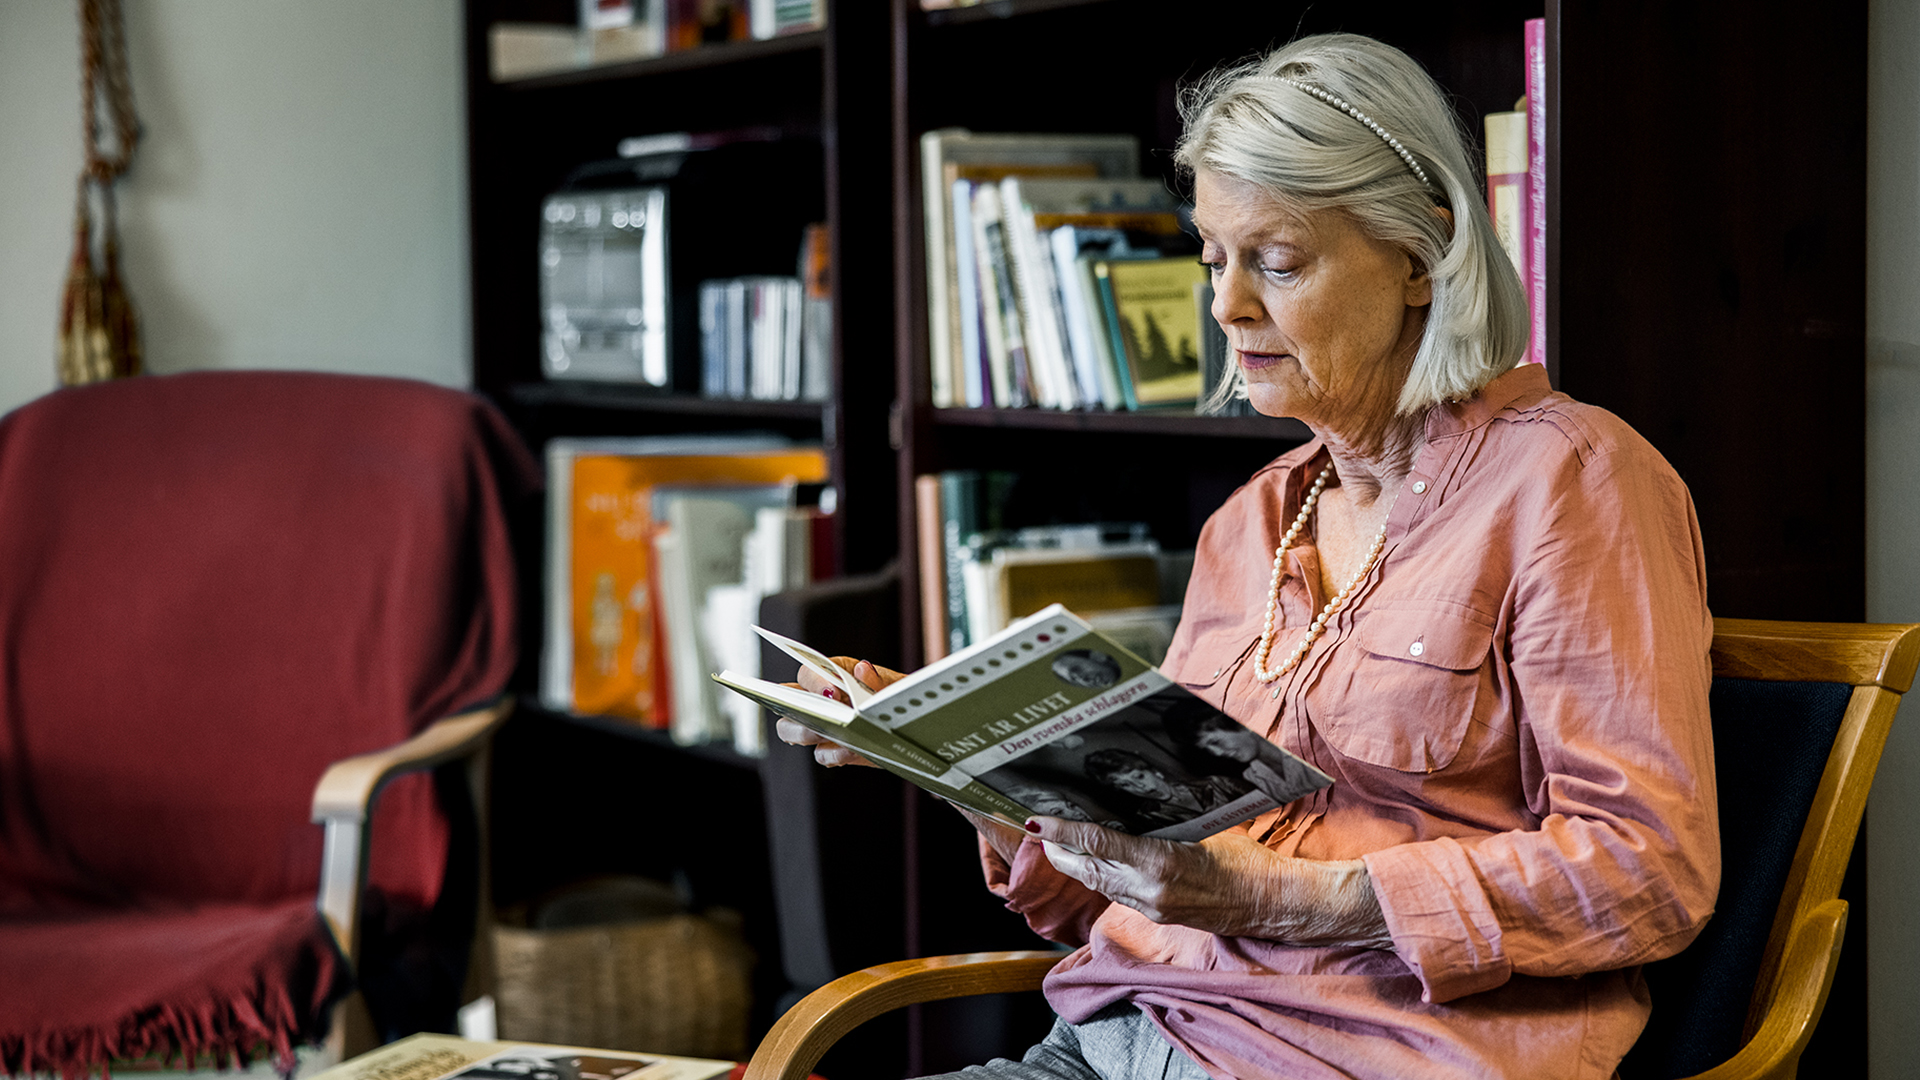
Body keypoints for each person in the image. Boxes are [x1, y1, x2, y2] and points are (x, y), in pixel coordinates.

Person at [778, 31, 1717, 1080]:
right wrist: (980, 782)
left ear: (1421, 258)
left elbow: (1650, 873)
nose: (1225, 305)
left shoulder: (1574, 484)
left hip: (1361, 1059)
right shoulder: (1251, 522)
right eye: (1214, 258)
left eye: (1278, 261)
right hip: (1115, 1040)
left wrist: (1282, 898)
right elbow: (1127, 893)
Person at [1162, 703, 1325, 807]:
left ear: (1242, 724)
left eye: (1216, 742)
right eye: (1207, 749)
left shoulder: (1305, 746)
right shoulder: (1253, 776)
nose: (1217, 754)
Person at [1081, 748, 1248, 829]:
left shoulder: (1217, 783)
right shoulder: (1148, 817)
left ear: (1156, 772)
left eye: (1139, 776)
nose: (1140, 787)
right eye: (1125, 785)